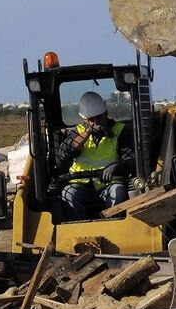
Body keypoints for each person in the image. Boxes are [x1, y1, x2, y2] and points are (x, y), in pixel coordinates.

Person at [56, 91, 134, 221]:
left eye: (100, 118)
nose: (96, 122)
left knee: (118, 191)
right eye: (92, 120)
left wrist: (117, 165)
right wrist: (87, 133)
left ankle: (113, 227)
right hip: (81, 184)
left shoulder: (120, 131)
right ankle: (78, 231)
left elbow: (131, 158)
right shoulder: (78, 132)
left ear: (106, 113)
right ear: (84, 119)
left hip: (108, 184)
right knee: (68, 193)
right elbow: (65, 154)